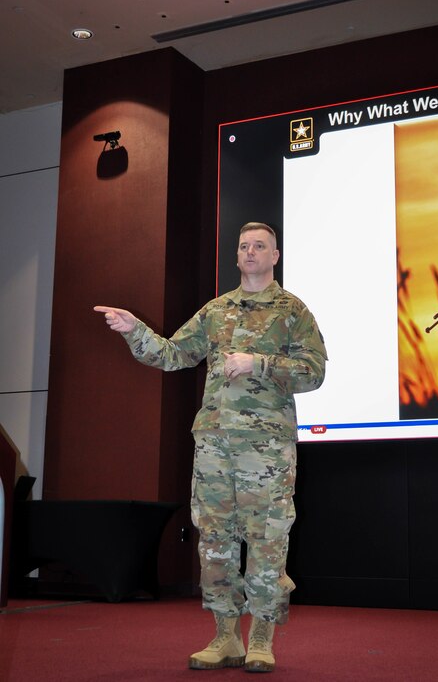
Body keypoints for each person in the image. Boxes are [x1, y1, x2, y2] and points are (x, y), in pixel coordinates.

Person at [94, 222, 327, 672]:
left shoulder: (291, 310)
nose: (251, 252)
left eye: (260, 246)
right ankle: (225, 638)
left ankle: (260, 638)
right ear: (237, 256)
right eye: (244, 246)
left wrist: (258, 363)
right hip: (215, 446)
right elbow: (171, 354)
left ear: (275, 255)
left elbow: (313, 372)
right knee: (215, 542)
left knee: (266, 542)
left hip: (266, 449)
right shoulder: (217, 311)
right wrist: (133, 329)